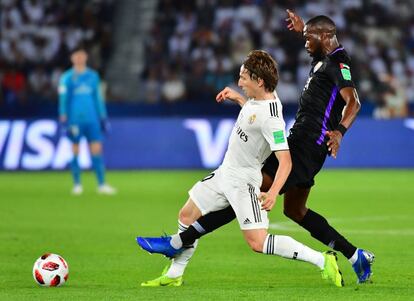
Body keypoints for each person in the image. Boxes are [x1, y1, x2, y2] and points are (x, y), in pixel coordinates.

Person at [137, 11, 375, 285]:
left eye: (310, 38)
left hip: (308, 147)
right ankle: (356, 255)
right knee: (295, 211)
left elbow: (353, 102)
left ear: (325, 37)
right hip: (300, 140)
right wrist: (303, 29)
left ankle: (179, 241)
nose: (305, 42)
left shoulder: (338, 64)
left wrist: (340, 132)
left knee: (246, 187)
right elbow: (318, 44)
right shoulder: (322, 58)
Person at [58, 46, 116, 195]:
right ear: (72, 58)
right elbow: (63, 99)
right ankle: (77, 184)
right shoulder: (66, 77)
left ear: (85, 57)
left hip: (92, 119)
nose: (79, 58)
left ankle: (101, 184)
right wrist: (63, 115)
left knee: (97, 149)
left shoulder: (93, 76)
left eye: (81, 55)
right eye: (76, 55)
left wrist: (103, 117)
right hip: (75, 119)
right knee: (75, 149)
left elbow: (98, 98)